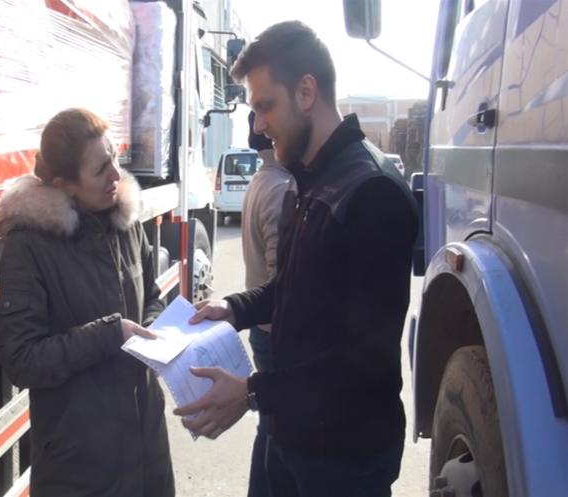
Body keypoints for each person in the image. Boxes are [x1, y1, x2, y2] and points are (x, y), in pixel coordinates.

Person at [173, 21, 418, 497]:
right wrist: (233, 308)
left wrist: (250, 392)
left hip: (344, 462)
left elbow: (362, 362)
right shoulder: (306, 178)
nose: (257, 126)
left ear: (306, 92)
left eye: (265, 106)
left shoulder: (373, 193)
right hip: (292, 436)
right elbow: (293, 289)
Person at [0, 108, 175, 497]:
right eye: (100, 169)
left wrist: (153, 330)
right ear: (65, 185)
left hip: (147, 448)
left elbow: (152, 296)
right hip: (80, 466)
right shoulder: (29, 246)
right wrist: (109, 335)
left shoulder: (125, 222)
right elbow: (21, 359)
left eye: (114, 159)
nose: (116, 176)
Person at [242, 110, 295, 497]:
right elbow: (282, 278)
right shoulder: (278, 188)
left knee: (269, 427)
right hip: (274, 328)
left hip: (261, 325)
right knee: (278, 433)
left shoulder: (262, 179)